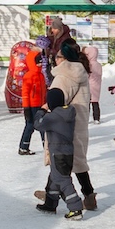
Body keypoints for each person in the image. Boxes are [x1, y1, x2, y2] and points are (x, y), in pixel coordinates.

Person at [51, 42, 97, 210]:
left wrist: (46, 109)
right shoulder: (79, 71)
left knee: (63, 158)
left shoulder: (66, 75)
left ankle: (57, 195)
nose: (55, 60)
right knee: (73, 160)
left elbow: (57, 99)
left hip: (67, 124)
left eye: (58, 56)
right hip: (79, 121)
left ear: (65, 58)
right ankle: (53, 193)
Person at [36, 88, 84, 220]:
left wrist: (42, 110)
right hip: (68, 151)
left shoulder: (53, 117)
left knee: (62, 180)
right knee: (54, 177)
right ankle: (50, 204)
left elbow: (38, 124)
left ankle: (75, 208)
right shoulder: (69, 111)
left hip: (57, 153)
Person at [18, 47, 47, 154]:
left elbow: (43, 91)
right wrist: (26, 108)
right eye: (38, 62)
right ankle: (23, 147)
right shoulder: (29, 76)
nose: (40, 64)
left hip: (41, 105)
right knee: (30, 126)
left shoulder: (41, 75)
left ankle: (47, 146)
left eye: (41, 62)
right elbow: (25, 93)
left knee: (43, 126)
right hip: (31, 106)